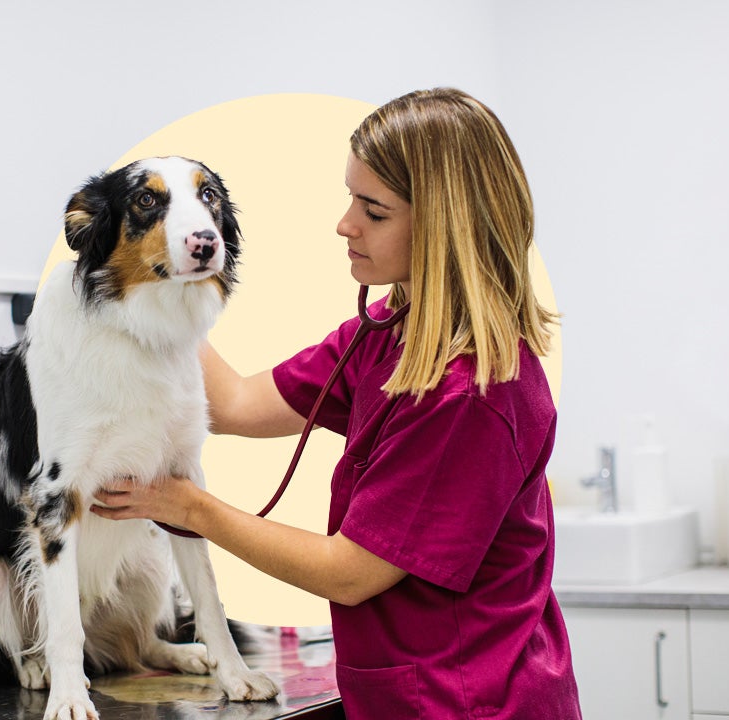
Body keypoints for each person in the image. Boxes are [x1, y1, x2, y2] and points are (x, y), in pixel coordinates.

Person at [91, 87, 583, 719]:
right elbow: (239, 402)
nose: (345, 224)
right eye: (351, 198)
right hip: (404, 693)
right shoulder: (388, 336)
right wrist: (149, 282)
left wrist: (188, 506)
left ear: (442, 227)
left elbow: (349, 572)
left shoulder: (472, 392)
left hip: (473, 701)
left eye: (373, 210)